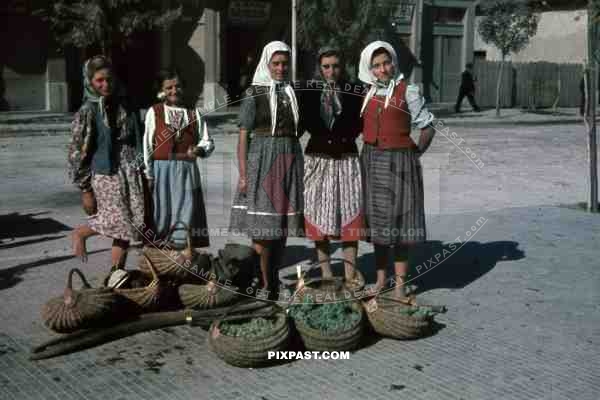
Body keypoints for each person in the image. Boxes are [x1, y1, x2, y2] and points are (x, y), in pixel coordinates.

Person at [358, 41, 436, 299]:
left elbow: (428, 126)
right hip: (371, 161)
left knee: (400, 227)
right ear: (370, 69)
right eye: (377, 65)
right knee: (380, 226)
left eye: (386, 63)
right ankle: (381, 281)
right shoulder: (368, 92)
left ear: (394, 63)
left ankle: (400, 286)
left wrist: (415, 153)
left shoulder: (408, 90)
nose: (383, 69)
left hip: (400, 162)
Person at [229, 41, 304, 300]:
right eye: (276, 63)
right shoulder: (254, 93)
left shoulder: (292, 92)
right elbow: (243, 136)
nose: (281, 68)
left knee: (281, 225)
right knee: (263, 227)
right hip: (262, 159)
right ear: (267, 64)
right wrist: (243, 173)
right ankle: (264, 283)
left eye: (285, 64)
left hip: (289, 157)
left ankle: (272, 278)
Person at [68, 55, 145, 288]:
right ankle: (82, 232)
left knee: (131, 225)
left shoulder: (126, 103)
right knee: (120, 222)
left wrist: (144, 170)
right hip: (105, 172)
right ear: (89, 81)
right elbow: (76, 153)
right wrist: (85, 189)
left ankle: (115, 275)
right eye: (99, 80)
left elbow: (139, 138)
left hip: (130, 170)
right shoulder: (87, 111)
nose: (105, 85)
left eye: (108, 79)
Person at [299, 46, 364, 289]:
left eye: (335, 66)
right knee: (318, 215)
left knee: (350, 215)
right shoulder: (308, 93)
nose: (331, 71)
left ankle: (350, 274)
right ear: (320, 67)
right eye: (326, 66)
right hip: (317, 159)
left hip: (346, 158)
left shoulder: (355, 91)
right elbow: (300, 124)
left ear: (342, 66)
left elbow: (360, 124)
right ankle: (326, 272)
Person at [143, 69, 214, 250]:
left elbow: (207, 141)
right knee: (162, 212)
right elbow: (147, 145)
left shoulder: (193, 113)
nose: (174, 91)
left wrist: (200, 149)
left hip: (187, 170)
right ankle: (161, 257)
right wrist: (149, 174)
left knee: (186, 211)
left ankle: (183, 255)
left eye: (178, 86)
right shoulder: (155, 112)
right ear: (162, 90)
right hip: (162, 170)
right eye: (169, 87)